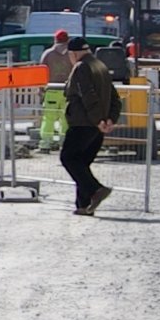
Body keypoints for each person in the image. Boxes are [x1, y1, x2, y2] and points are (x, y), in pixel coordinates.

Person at [52, 30, 120, 215]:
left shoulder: (82, 67)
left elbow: (87, 96)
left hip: (83, 123)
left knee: (68, 158)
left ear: (73, 53)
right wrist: (110, 119)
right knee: (81, 163)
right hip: (97, 125)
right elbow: (115, 98)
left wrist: (99, 120)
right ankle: (83, 205)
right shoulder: (100, 66)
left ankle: (96, 190)